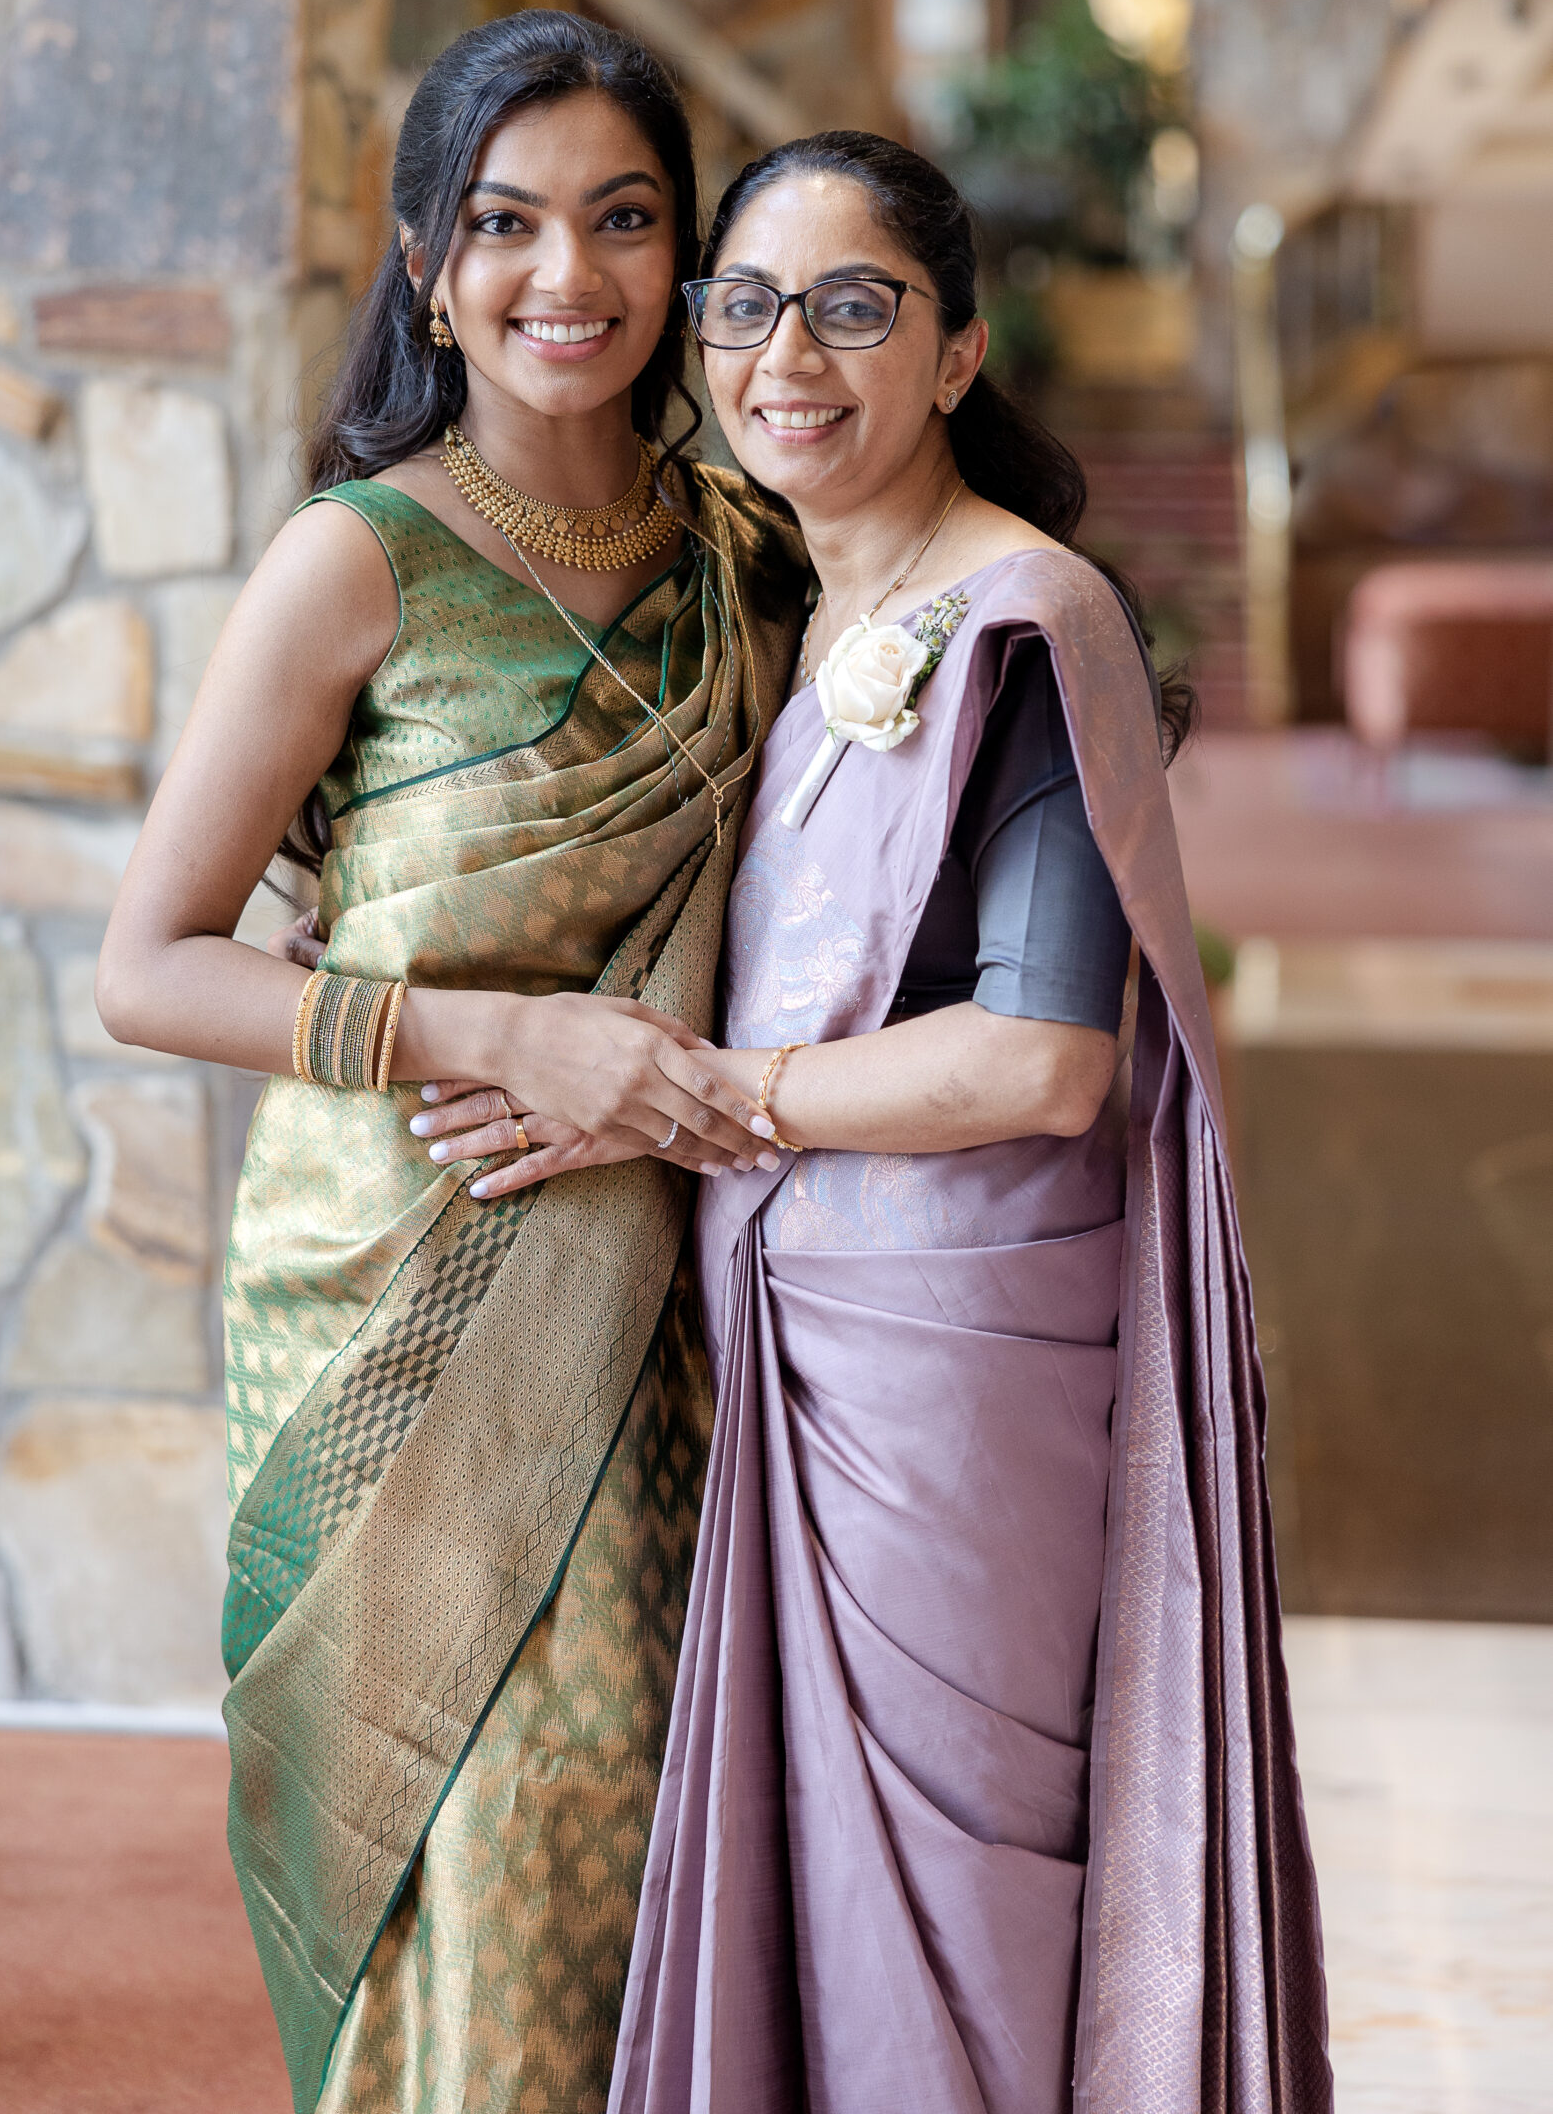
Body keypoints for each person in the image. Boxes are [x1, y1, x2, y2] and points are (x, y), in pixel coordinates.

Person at [433, 131, 1332, 2114]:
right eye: (747, 307)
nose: (788, 358)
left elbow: (1042, 1058)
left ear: (955, 352)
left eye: (854, 308)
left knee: (956, 1917)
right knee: (820, 1926)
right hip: (786, 1322)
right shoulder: (779, 615)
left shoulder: (1024, 616)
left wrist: (694, 1099)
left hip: (952, 1363)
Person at [93, 10, 806, 2114]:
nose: (564, 273)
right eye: (505, 223)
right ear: (425, 263)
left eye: (623, 218)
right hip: (388, 1286)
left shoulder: (752, 552)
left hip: (667, 1283)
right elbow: (149, 966)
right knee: (458, 1833)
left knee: (629, 1827)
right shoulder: (355, 556)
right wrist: (495, 1032)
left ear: (686, 257)